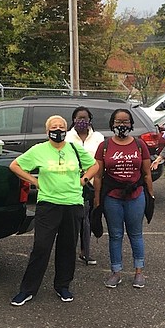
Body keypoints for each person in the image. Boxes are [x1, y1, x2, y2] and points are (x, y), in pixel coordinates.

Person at [9, 115, 98, 306]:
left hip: (73, 204)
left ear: (67, 129)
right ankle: (27, 290)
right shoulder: (39, 150)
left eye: (61, 126)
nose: (58, 129)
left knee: (67, 247)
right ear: (47, 130)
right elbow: (15, 166)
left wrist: (83, 181)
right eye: (54, 127)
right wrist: (34, 181)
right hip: (48, 204)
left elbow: (95, 165)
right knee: (41, 248)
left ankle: (63, 286)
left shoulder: (74, 148)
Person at [94, 109, 154, 289]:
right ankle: (116, 272)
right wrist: (97, 200)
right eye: (118, 122)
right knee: (115, 235)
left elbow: (147, 173)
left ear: (131, 124)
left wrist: (150, 195)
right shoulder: (104, 146)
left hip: (136, 196)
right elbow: (98, 176)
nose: (122, 125)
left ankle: (139, 271)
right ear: (112, 124)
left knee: (136, 234)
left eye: (126, 122)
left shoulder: (139, 144)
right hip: (112, 197)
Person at [65, 106, 105, 265]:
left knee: (88, 219)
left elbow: (101, 161)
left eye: (85, 118)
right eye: (79, 118)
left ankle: (85, 251)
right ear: (73, 120)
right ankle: (68, 251)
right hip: (71, 185)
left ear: (90, 120)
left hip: (92, 184)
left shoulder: (98, 137)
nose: (82, 121)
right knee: (72, 220)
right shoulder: (67, 137)